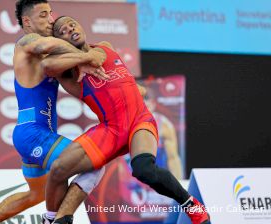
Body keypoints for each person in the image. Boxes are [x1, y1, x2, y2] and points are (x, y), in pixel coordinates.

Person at [40, 16, 210, 224]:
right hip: (110, 130)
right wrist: (82, 60)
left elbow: (99, 56)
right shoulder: (69, 72)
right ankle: (53, 219)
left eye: (72, 24)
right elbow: (47, 65)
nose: (70, 29)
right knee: (58, 169)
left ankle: (191, 205)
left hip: (140, 121)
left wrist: (90, 58)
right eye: (63, 31)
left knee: (144, 169)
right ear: (61, 42)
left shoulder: (104, 47)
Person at [0, 1, 107, 224]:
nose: (51, 19)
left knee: (36, 195)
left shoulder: (50, 58)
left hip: (34, 133)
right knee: (95, 164)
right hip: (33, 135)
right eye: (43, 15)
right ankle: (53, 220)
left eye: (50, 14)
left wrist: (86, 60)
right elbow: (44, 45)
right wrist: (87, 55)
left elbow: (77, 82)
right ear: (27, 22)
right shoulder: (26, 42)